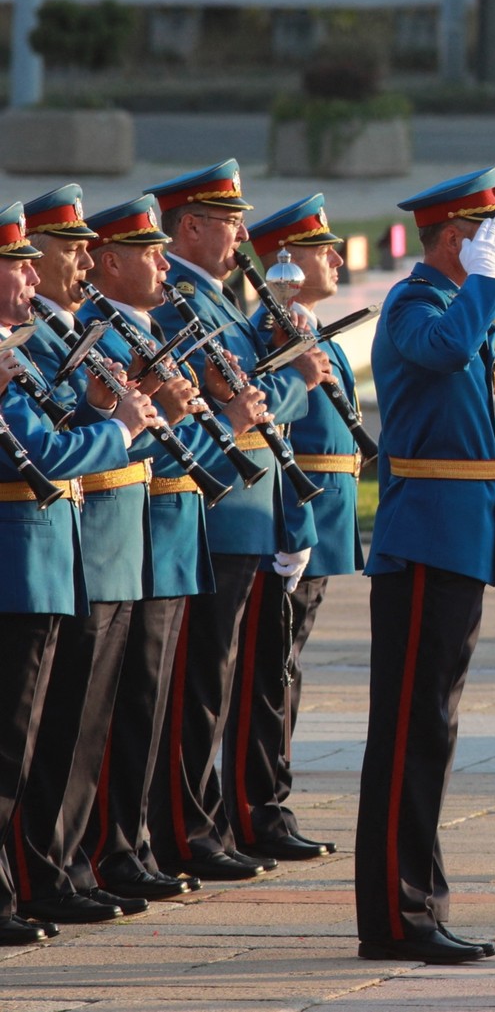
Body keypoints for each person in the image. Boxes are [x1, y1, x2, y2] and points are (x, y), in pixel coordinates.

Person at [147, 159, 327, 884]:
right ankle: (188, 828)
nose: (242, 234)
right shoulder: (180, 304)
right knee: (198, 684)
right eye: (228, 221)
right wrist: (294, 379)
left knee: (219, 684)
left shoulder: (219, 302)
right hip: (219, 512)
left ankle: (209, 821)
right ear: (190, 226)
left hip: (249, 513)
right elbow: (243, 403)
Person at [355, 167, 495, 965]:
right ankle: (397, 914)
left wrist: (478, 292)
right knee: (410, 731)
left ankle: (416, 903)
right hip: (422, 545)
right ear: (454, 238)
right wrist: (483, 285)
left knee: (432, 732)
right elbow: (446, 355)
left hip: (454, 543)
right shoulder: (415, 306)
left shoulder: (454, 308)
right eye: (486, 235)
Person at [11, 184, 164, 927]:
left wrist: (115, 410)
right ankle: (39, 872)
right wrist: (117, 425)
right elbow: (41, 453)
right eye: (61, 253)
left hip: (73, 545)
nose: (59, 270)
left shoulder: (54, 338)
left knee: (77, 724)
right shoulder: (30, 345)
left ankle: (62, 865)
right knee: (33, 733)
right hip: (42, 551)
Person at [78, 195, 218, 903]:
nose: (165, 264)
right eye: (149, 253)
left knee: (147, 702)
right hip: (124, 530)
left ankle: (126, 843)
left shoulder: (149, 330)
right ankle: (101, 850)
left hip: (158, 529)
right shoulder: (94, 330)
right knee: (110, 707)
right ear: (109, 263)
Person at [225, 196, 364, 862]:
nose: (335, 258)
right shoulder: (275, 333)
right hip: (289, 522)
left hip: (320, 523)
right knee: (268, 671)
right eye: (321, 248)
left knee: (285, 668)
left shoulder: (307, 329)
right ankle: (257, 808)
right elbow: (274, 432)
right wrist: (293, 523)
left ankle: (269, 800)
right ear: (284, 262)